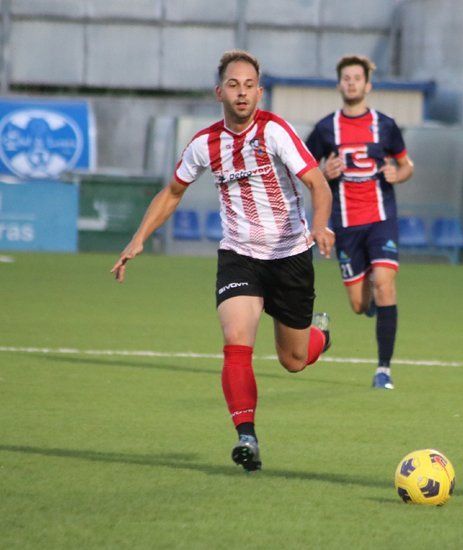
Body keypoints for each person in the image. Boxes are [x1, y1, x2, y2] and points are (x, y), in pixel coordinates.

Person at [111, 50, 335, 472]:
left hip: (290, 256)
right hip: (239, 256)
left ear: (260, 92)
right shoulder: (203, 144)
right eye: (234, 85)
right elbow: (173, 192)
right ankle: (246, 437)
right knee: (236, 339)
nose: (242, 92)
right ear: (220, 92)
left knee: (294, 360)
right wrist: (138, 238)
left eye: (250, 85)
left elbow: (317, 184)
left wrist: (321, 226)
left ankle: (320, 335)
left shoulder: (276, 133)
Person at [306, 55, 414, 390]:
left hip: (381, 219)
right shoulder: (326, 129)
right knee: (358, 305)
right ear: (339, 84)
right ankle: (358, 313)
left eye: (357, 78)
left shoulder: (386, 125)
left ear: (367, 85)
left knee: (385, 283)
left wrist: (399, 173)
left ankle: (383, 370)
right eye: (346, 78)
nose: (351, 83)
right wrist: (323, 172)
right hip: (345, 225)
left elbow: (406, 165)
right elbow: (305, 170)